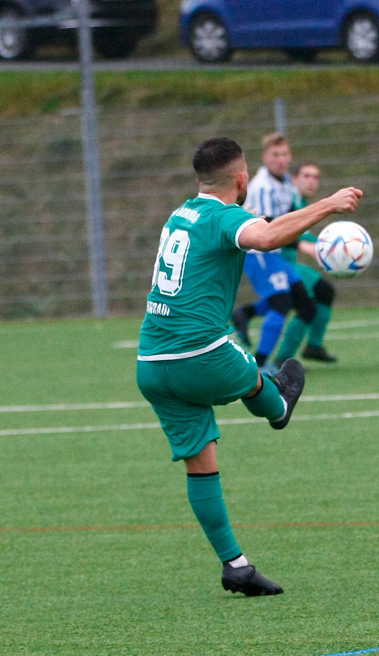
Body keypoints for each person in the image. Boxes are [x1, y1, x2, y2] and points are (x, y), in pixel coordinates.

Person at [136, 137, 362, 596]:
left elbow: (269, 231)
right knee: (257, 379)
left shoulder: (182, 214)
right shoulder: (225, 216)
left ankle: (235, 566)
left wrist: (306, 237)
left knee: (202, 465)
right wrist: (330, 205)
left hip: (151, 362)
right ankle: (277, 406)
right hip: (202, 352)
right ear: (242, 179)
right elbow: (264, 236)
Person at [230, 133, 319, 372]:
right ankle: (259, 365)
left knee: (303, 301)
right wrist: (302, 245)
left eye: (284, 154)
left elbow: (290, 216)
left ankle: (244, 313)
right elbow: (267, 226)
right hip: (258, 252)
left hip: (274, 252)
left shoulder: (286, 182)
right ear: (265, 158)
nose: (281, 159)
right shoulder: (261, 187)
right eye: (275, 155)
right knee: (281, 302)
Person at [269, 161, 340, 365]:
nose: (311, 181)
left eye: (316, 177)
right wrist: (301, 244)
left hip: (289, 263)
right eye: (306, 176)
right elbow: (279, 227)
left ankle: (313, 346)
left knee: (324, 292)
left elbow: (303, 235)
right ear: (295, 178)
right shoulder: (287, 200)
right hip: (276, 262)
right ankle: (280, 361)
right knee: (305, 305)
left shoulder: (300, 202)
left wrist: (331, 246)